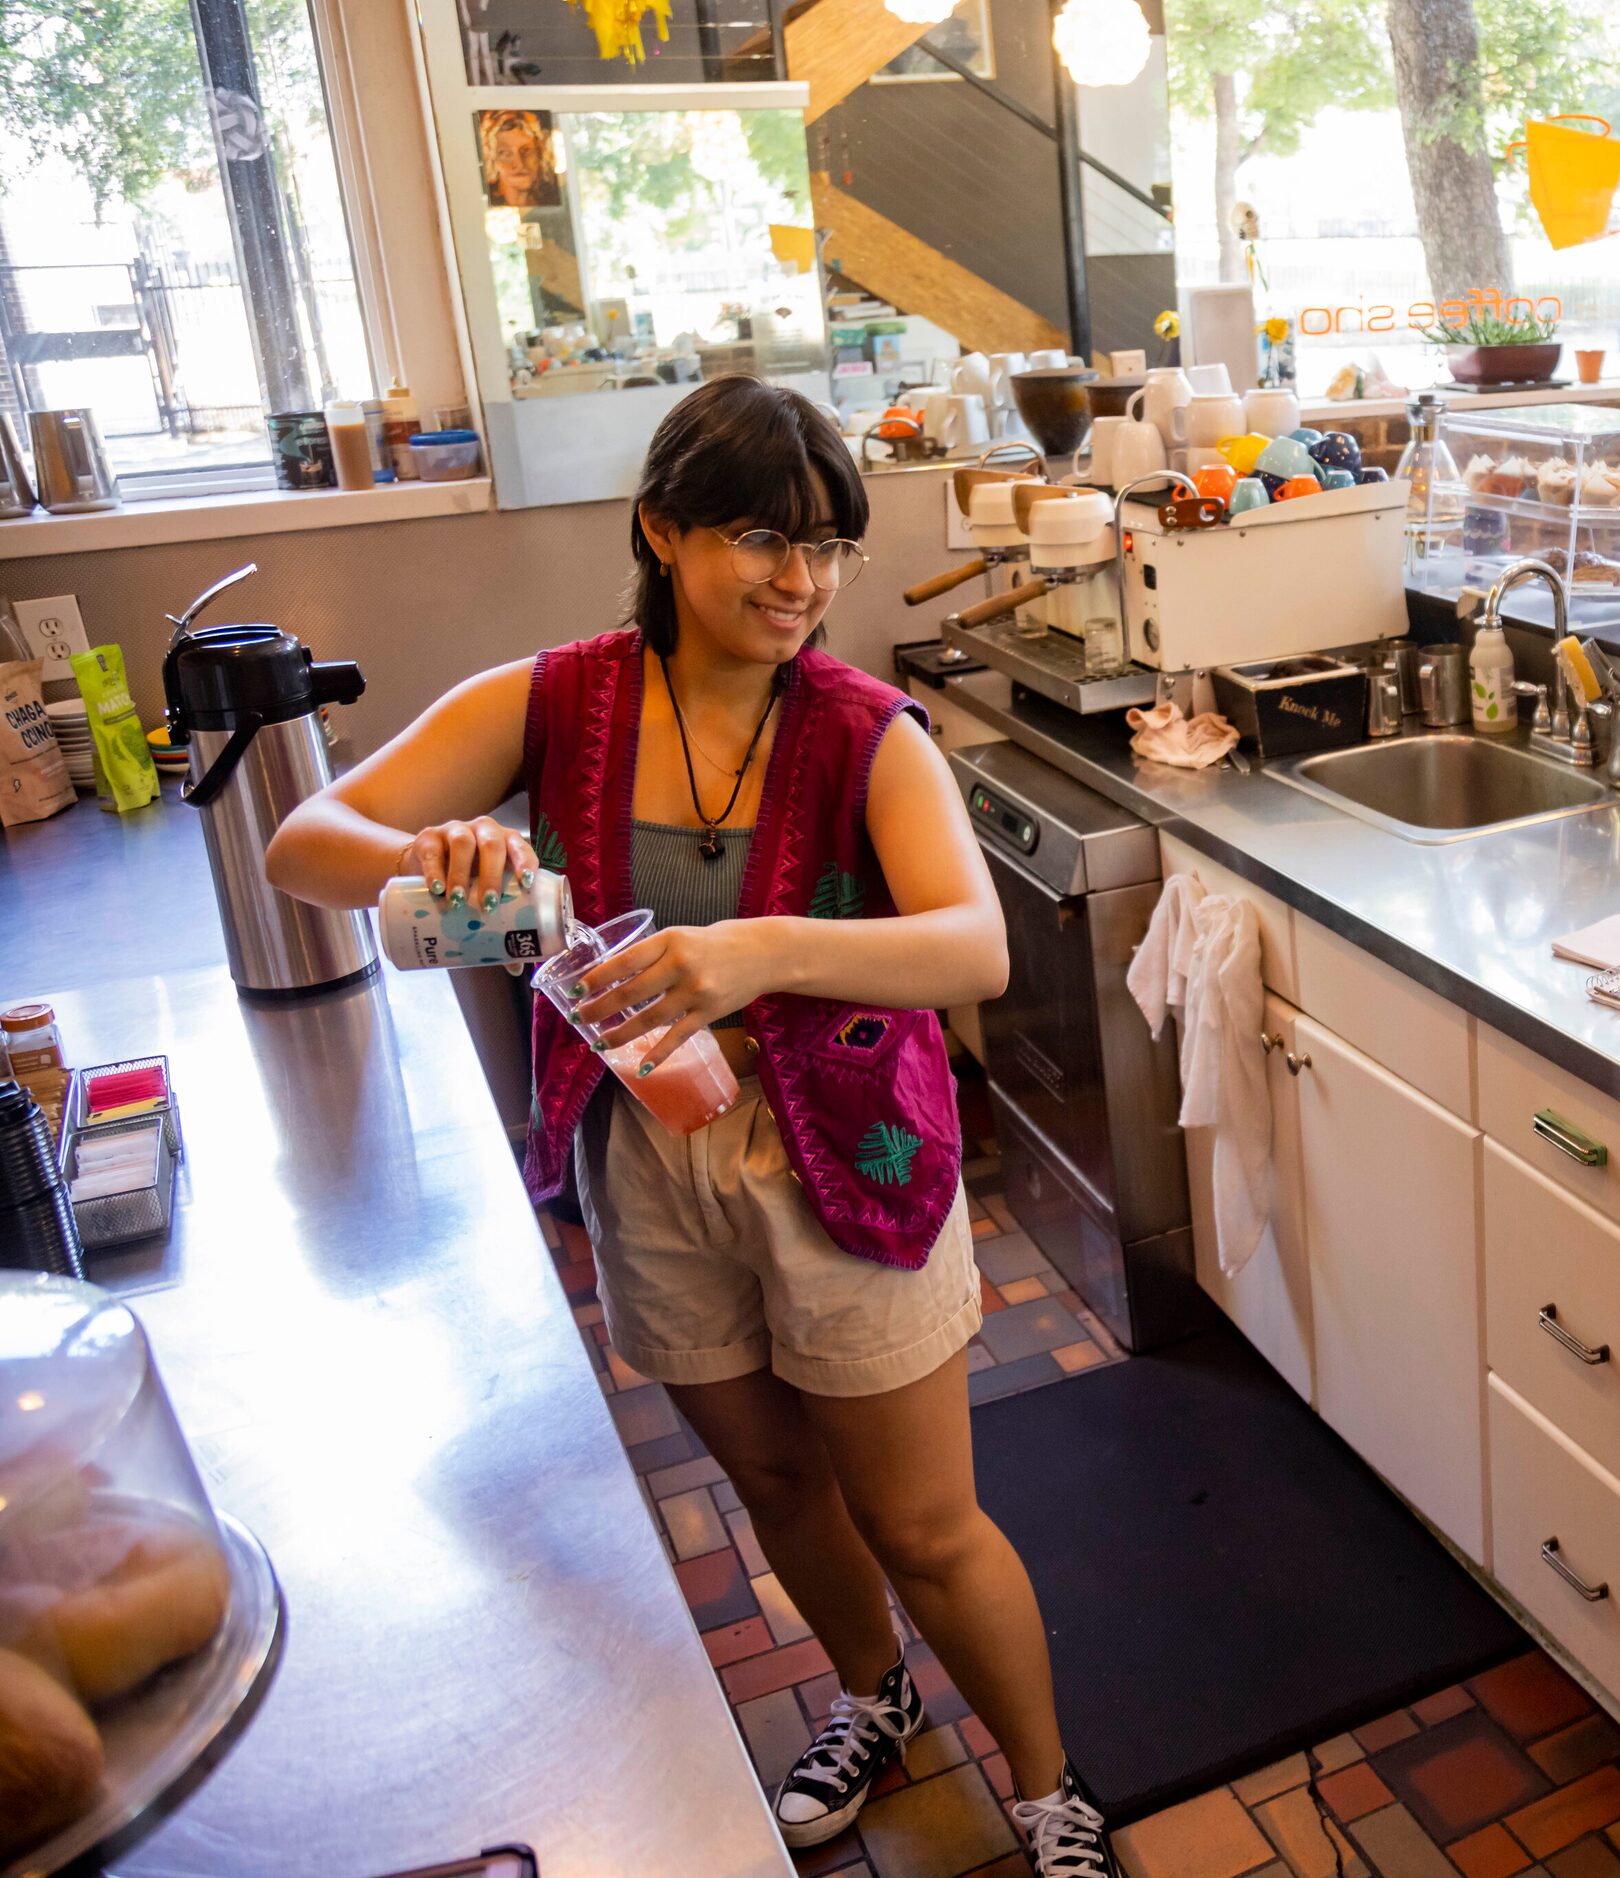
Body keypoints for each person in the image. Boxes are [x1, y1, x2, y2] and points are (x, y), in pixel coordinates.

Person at [265, 377, 1119, 1871]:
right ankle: (870, 1689)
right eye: (756, 537)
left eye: (827, 547)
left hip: (845, 1157)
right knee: (776, 1477)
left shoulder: (867, 732)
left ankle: (1051, 1790)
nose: (800, 582)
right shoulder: (552, 702)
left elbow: (971, 948)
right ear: (660, 531)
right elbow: (306, 843)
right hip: (646, 1156)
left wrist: (758, 950)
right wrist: (442, 852)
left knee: (924, 1521)